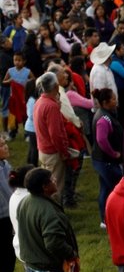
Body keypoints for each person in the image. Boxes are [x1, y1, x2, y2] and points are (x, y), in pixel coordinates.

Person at [33, 72, 72, 202]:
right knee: (55, 188)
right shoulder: (51, 106)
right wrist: (64, 152)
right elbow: (56, 135)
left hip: (43, 150)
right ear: (55, 86)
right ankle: (55, 215)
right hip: (52, 153)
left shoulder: (40, 101)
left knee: (46, 187)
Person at [91, 88, 124, 228]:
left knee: (105, 188)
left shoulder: (106, 114)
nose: (116, 101)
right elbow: (102, 140)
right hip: (106, 161)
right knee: (117, 188)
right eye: (113, 99)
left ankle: (105, 219)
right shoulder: (103, 119)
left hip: (103, 160)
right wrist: (113, 153)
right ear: (105, 102)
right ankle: (111, 218)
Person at [0, 136, 14, 272]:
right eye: (2, 145)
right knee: (4, 262)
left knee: (7, 261)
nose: (6, 146)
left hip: (7, 217)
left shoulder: (5, 165)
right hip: (2, 218)